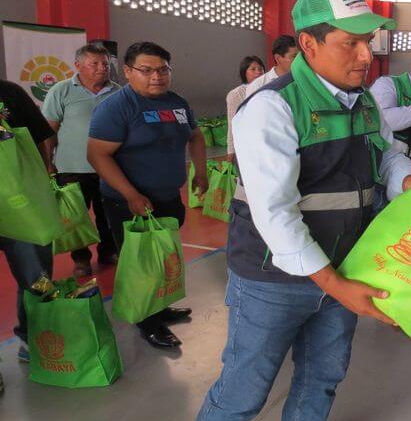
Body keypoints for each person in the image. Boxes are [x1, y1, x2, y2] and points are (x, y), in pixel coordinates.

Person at [192, 0, 411, 421]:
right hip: (272, 279)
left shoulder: (364, 100)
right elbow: (275, 214)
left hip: (344, 266)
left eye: (367, 42)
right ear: (308, 45)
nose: (364, 56)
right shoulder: (272, 108)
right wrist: (336, 285)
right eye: (349, 43)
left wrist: (405, 180)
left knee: (322, 380)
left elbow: (387, 152)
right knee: (243, 394)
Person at [87, 41, 208, 349]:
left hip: (168, 198)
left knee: (161, 258)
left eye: (163, 69)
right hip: (130, 203)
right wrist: (130, 194)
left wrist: (201, 172)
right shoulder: (116, 108)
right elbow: (98, 155)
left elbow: (195, 136)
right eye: (147, 70)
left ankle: (160, 308)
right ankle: (148, 322)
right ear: (128, 72)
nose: (157, 76)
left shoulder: (177, 104)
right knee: (141, 263)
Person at [41, 43, 121, 277]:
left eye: (105, 64)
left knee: (108, 213)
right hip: (72, 167)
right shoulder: (61, 90)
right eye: (94, 64)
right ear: (78, 65)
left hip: (110, 167)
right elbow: (50, 130)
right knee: (76, 217)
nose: (101, 68)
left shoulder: (118, 92)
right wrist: (48, 162)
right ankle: (81, 259)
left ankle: (108, 251)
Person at [0, 80, 55, 369]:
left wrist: (44, 175)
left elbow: (44, 134)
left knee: (37, 277)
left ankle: (34, 339)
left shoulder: (9, 93)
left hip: (22, 206)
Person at [224, 55, 265, 160]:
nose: (258, 72)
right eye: (253, 69)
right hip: (247, 145)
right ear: (244, 72)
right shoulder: (236, 94)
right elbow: (232, 123)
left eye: (260, 69)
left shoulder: (270, 89)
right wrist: (231, 150)